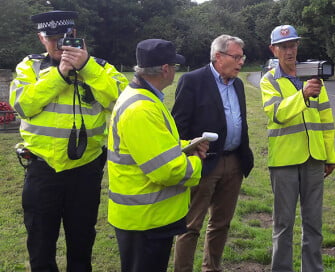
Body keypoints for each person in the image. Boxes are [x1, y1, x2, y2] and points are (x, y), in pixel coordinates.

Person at [9, 10, 128, 272]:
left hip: (85, 170)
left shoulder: (101, 67)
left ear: (74, 36)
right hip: (42, 169)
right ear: (41, 39)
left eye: (63, 38)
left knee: (82, 243)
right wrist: (60, 73)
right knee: (40, 244)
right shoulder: (30, 66)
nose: (57, 44)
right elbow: (22, 104)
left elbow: (119, 100)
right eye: (50, 38)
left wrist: (87, 68)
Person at [107, 38, 209, 272]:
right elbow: (168, 170)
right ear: (165, 70)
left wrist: (186, 145)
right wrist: (196, 160)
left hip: (147, 218)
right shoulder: (141, 108)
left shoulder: (145, 97)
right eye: (174, 66)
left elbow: (156, 145)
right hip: (145, 221)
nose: (176, 71)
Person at [172, 34, 254, 272]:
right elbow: (179, 126)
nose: (241, 62)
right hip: (204, 163)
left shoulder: (237, 83)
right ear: (219, 57)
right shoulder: (192, 80)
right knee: (191, 225)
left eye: (242, 57)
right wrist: (192, 152)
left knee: (221, 223)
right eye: (236, 57)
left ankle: (212, 268)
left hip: (234, 162)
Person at [260, 25, 335, 272]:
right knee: (283, 224)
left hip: (315, 158)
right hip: (284, 161)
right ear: (274, 49)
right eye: (283, 46)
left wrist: (330, 156)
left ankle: (313, 269)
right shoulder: (268, 81)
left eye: (292, 45)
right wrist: (302, 94)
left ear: (297, 46)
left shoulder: (314, 76)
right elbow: (277, 114)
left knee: (313, 223)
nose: (289, 50)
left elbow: (326, 119)